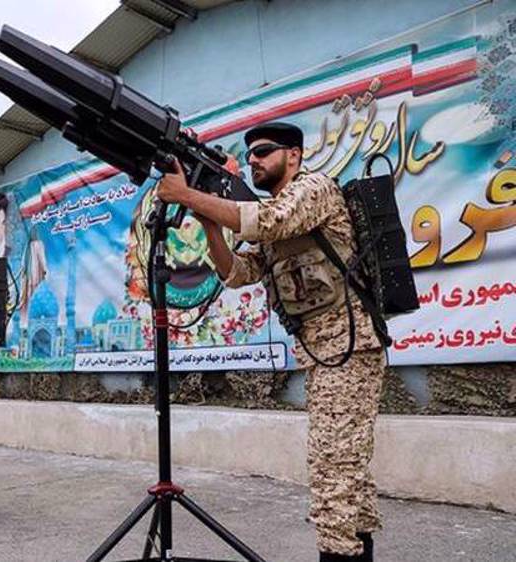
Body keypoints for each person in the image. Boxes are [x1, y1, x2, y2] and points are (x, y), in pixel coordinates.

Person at [155, 122, 386, 562]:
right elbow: (239, 273)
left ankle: (340, 553)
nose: (255, 160)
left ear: (294, 155)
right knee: (346, 470)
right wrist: (209, 225)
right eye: (251, 154)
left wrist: (189, 196)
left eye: (264, 151)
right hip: (325, 354)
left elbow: (269, 222)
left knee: (333, 471)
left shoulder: (313, 189)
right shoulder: (277, 212)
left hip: (350, 347)